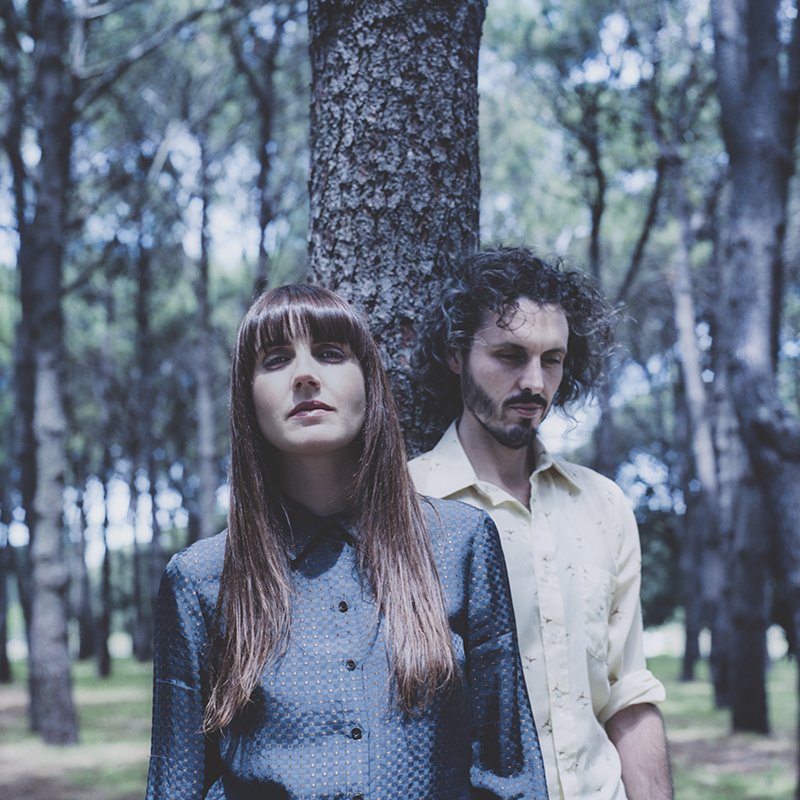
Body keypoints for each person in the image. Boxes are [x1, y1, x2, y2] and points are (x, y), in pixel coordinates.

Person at [145, 283, 548, 799]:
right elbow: (176, 786)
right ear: (247, 399)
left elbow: (509, 773)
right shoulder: (199, 580)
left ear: (369, 382)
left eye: (331, 353)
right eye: (275, 359)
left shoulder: (462, 543)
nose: (305, 374)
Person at [409, 247, 672, 800]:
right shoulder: (403, 507)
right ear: (456, 354)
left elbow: (628, 695)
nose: (534, 382)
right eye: (509, 355)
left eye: (552, 359)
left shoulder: (603, 505)